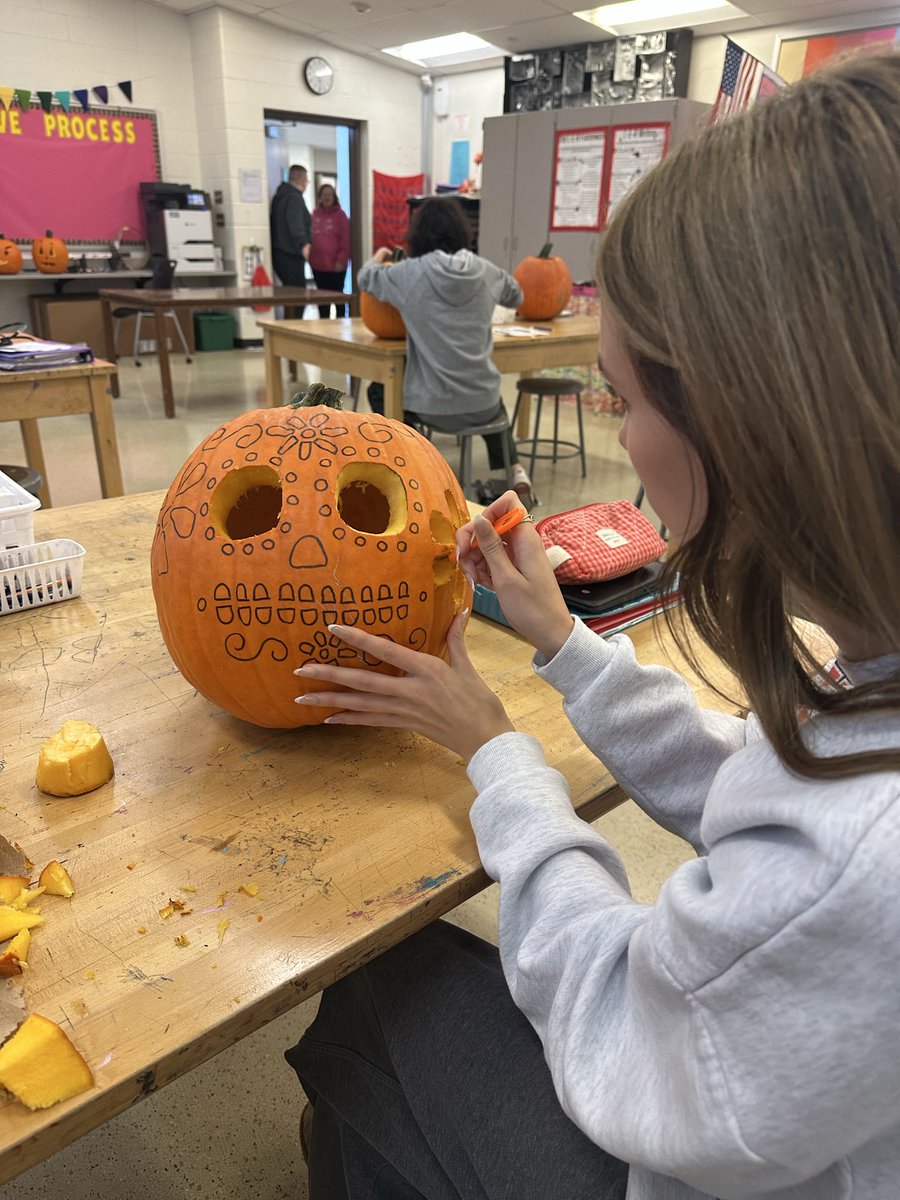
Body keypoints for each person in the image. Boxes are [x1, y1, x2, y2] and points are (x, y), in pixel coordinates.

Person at [287, 54, 900, 1200]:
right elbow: (773, 794)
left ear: (762, 426)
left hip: (676, 1149)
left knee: (374, 991)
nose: (617, 435)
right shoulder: (870, 699)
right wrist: (569, 649)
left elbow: (627, 1026)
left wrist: (496, 755)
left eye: (623, 398)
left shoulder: (869, 863)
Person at [358, 196, 537, 510]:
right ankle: (515, 472)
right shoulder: (486, 271)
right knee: (491, 396)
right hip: (482, 404)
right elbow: (517, 294)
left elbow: (366, 278)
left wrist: (380, 256)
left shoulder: (408, 273)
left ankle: (412, 468)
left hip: (431, 407)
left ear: (417, 236)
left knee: (379, 391)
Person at [309, 182, 351, 318]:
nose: (327, 197)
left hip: (336, 266)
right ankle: (323, 327)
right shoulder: (314, 214)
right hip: (318, 266)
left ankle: (341, 326)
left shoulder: (341, 215)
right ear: (320, 197)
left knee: (338, 297)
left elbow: (346, 240)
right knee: (322, 299)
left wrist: (341, 260)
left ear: (334, 197)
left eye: (329, 194)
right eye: (324, 194)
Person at [269, 163, 311, 288]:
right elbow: (295, 224)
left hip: (279, 253)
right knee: (298, 297)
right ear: (303, 181)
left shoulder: (279, 196)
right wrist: (303, 244)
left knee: (291, 295)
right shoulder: (295, 198)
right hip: (291, 255)